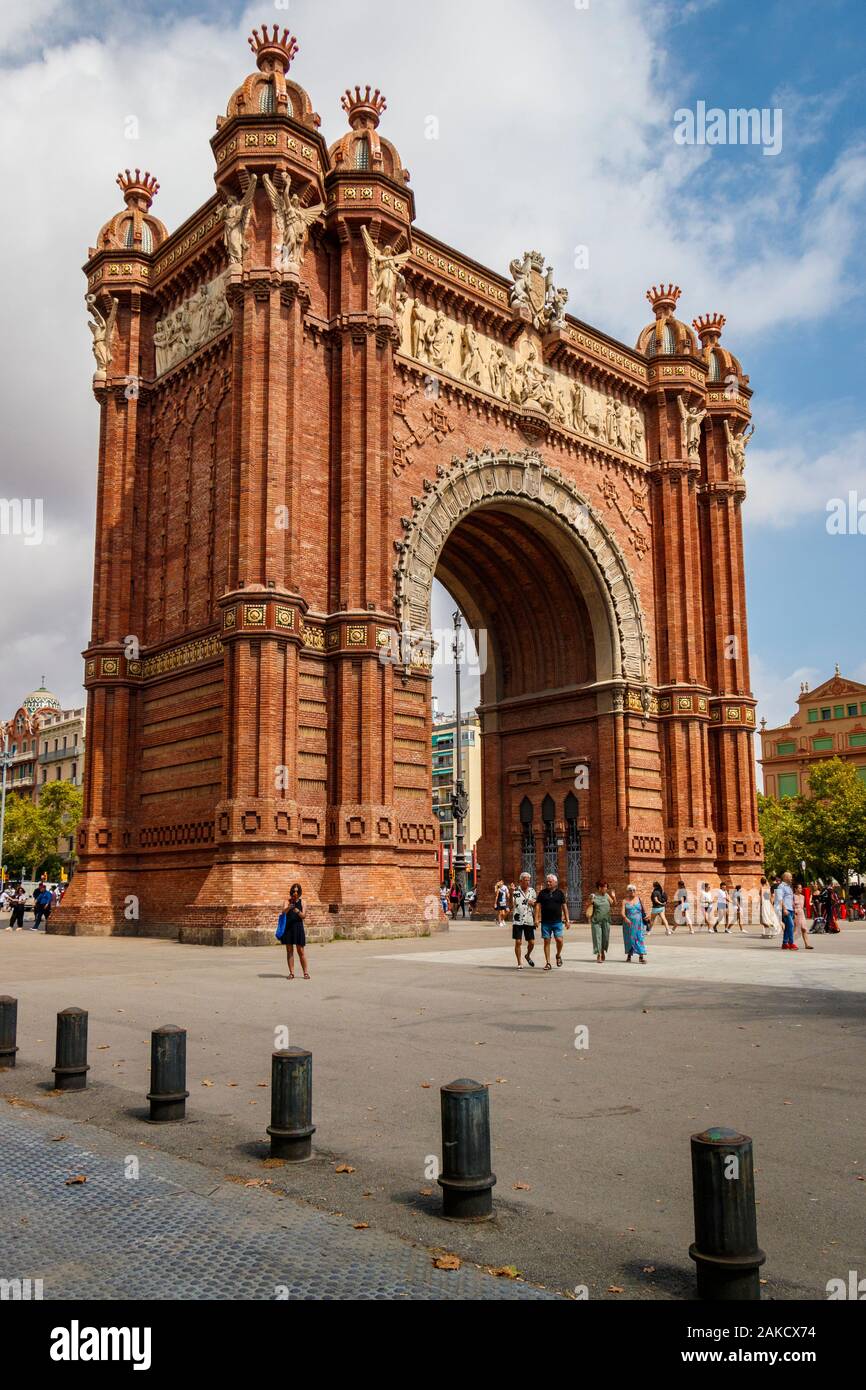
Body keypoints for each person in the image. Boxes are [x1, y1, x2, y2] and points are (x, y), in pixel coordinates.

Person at [536, 873, 569, 969]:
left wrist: (567, 920)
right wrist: (536, 919)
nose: (548, 883)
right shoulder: (542, 893)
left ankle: (558, 955)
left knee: (559, 940)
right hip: (545, 922)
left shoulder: (560, 893)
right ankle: (548, 963)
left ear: (555, 882)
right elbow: (538, 906)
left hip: (557, 922)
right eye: (547, 881)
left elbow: (564, 907)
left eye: (550, 881)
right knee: (547, 941)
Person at [281, 882, 310, 979]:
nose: (295, 893)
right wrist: (288, 908)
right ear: (291, 891)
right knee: (289, 951)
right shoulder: (287, 901)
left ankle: (305, 973)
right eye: (293, 891)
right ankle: (291, 973)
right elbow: (283, 912)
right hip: (288, 927)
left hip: (298, 927)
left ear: (300, 892)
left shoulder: (303, 902)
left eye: (297, 891)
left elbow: (303, 916)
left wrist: (297, 911)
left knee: (300, 951)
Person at [510, 872, 536, 968]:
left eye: (529, 880)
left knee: (532, 942)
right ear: (521, 881)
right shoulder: (515, 891)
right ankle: (519, 963)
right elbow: (510, 904)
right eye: (526, 880)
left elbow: (536, 904)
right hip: (518, 920)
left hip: (529, 919)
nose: (528, 882)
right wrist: (511, 893)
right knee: (518, 942)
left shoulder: (532, 891)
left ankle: (527, 955)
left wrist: (532, 903)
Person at [587, 880, 615, 962]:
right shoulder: (593, 896)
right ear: (599, 888)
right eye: (604, 887)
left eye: (606, 887)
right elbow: (588, 907)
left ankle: (602, 950)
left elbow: (613, 904)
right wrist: (591, 902)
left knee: (605, 938)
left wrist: (614, 896)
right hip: (596, 921)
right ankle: (598, 954)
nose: (606, 889)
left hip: (606, 920)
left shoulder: (607, 895)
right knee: (597, 937)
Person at [622, 884, 649, 964]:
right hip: (628, 924)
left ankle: (641, 957)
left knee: (639, 939)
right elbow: (622, 912)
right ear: (628, 891)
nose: (632, 892)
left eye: (634, 890)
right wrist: (625, 918)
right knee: (629, 939)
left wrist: (647, 915)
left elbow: (644, 910)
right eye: (630, 890)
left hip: (638, 924)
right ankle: (629, 956)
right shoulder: (625, 901)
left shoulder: (639, 899)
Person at [774, 871, 797, 951]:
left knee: (788, 927)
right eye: (790, 877)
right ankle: (791, 943)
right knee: (791, 925)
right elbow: (780, 899)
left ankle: (784, 943)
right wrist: (784, 909)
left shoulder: (789, 887)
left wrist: (793, 907)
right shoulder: (781, 886)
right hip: (785, 909)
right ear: (785, 878)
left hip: (790, 909)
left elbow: (790, 899)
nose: (791, 878)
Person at [793, 882, 813, 951]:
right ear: (795, 889)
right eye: (799, 888)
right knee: (795, 929)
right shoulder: (792, 896)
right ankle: (791, 943)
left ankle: (807, 944)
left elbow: (802, 907)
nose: (801, 889)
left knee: (804, 929)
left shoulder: (803, 897)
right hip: (795, 913)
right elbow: (791, 906)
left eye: (801, 888)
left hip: (801, 913)